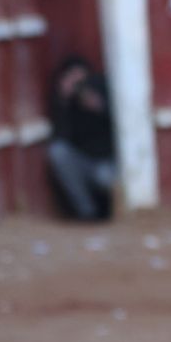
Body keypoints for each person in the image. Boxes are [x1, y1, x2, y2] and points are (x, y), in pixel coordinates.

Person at [46, 55, 115, 222]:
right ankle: (87, 212)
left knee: (105, 177)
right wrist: (63, 101)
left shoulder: (103, 89)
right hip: (83, 161)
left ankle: (110, 212)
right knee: (58, 152)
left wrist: (101, 108)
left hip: (107, 162)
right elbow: (60, 135)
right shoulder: (65, 102)